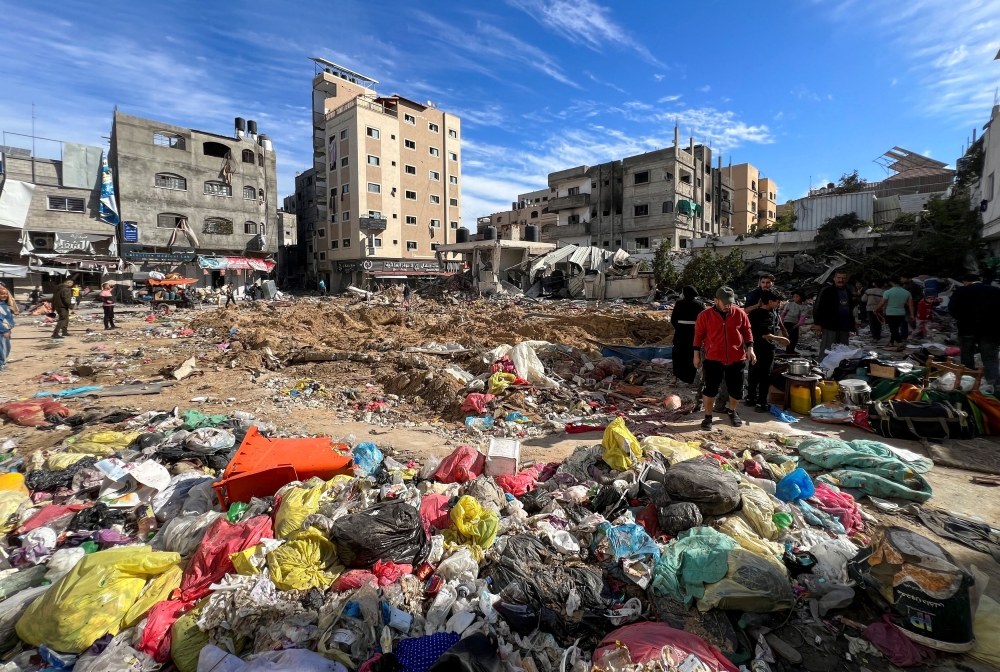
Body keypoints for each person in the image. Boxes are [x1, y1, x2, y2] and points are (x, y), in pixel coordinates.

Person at [693, 286, 755, 429]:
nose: (728, 305)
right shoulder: (705, 315)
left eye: (730, 303)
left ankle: (732, 411)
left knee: (736, 390)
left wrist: (750, 349)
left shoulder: (739, 314)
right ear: (716, 300)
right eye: (725, 303)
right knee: (710, 389)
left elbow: (747, 331)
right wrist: (696, 356)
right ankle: (708, 417)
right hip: (713, 358)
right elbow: (698, 336)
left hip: (736, 357)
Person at [949, 273, 1000, 384]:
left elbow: (952, 309)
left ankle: (968, 381)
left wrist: (963, 319)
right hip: (991, 330)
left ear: (965, 282)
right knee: (990, 357)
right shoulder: (995, 291)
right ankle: (993, 382)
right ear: (979, 280)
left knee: (967, 355)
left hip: (967, 329)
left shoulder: (961, 291)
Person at [747, 290, 789, 412]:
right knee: (765, 376)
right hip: (765, 349)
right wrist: (780, 338)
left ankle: (750, 399)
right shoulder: (768, 315)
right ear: (770, 302)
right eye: (777, 302)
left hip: (753, 348)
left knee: (753, 374)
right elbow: (764, 334)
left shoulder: (753, 313)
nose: (778, 305)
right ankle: (761, 403)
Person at [813, 270, 856, 357]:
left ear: (847, 279)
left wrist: (852, 324)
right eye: (839, 278)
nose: (841, 280)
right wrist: (817, 323)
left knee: (842, 350)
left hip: (844, 326)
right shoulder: (826, 290)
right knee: (827, 349)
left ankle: (839, 368)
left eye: (843, 278)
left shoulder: (848, 291)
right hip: (830, 325)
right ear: (834, 278)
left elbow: (850, 309)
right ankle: (823, 368)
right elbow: (817, 307)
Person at [670, 286, 704, 386]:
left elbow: (673, 319)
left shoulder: (679, 303)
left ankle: (675, 376)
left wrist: (679, 328)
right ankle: (690, 378)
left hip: (680, 334)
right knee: (692, 355)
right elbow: (703, 320)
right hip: (694, 333)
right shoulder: (699, 304)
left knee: (678, 355)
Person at [875, 278, 913, 347]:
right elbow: (911, 305)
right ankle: (891, 342)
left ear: (892, 283)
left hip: (891, 313)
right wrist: (912, 315)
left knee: (893, 329)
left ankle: (900, 342)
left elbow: (882, 303)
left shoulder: (888, 292)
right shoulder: (907, 292)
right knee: (895, 328)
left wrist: (876, 309)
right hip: (901, 313)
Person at [780, 290, 809, 354]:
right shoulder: (789, 304)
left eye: (797, 297)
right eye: (794, 297)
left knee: (794, 339)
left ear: (801, 297)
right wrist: (781, 323)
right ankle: (789, 351)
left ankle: (790, 351)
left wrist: (797, 325)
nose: (795, 298)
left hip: (795, 323)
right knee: (791, 338)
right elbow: (783, 314)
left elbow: (802, 317)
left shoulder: (804, 307)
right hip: (787, 322)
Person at [0, 286, 14, 370]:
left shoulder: (3, 304)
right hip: (2, 331)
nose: (4, 295)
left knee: (6, 347)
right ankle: (1, 364)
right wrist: (4, 330)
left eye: (6, 294)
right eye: (2, 294)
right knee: (3, 348)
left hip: (6, 330)